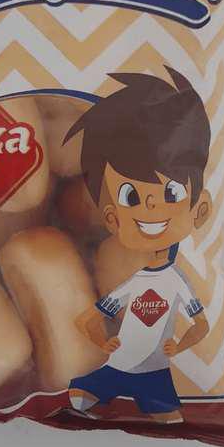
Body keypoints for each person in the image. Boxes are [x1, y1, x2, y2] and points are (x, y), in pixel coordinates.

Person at [65, 67, 211, 424]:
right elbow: (91, 317)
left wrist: (181, 345)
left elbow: (201, 325)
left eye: (170, 193)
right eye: (131, 197)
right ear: (111, 218)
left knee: (170, 416)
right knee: (87, 391)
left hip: (156, 365)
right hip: (123, 360)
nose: (150, 207)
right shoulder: (136, 279)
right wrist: (102, 342)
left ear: (201, 209)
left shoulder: (174, 279)